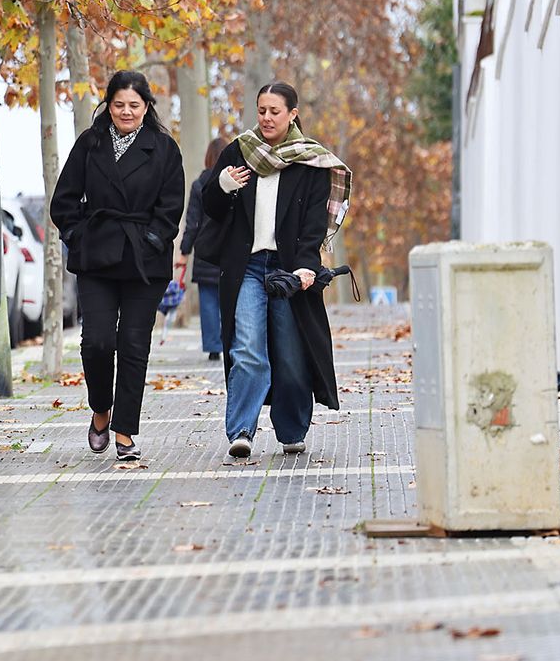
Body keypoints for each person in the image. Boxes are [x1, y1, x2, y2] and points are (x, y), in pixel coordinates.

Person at [201, 81, 352, 459]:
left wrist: (306, 266)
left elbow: (314, 223)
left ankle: (291, 430)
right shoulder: (239, 151)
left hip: (288, 270)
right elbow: (210, 207)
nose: (267, 118)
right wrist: (222, 185)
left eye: (275, 111)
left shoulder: (311, 160)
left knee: (290, 352)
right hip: (246, 267)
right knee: (248, 349)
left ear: (293, 114)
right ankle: (241, 431)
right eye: (262, 111)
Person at [50, 70, 185, 461]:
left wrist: (155, 239)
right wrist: (78, 235)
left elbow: (171, 205)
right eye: (119, 104)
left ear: (147, 107)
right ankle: (100, 409)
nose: (126, 111)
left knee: (132, 344)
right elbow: (64, 201)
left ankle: (125, 430)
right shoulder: (90, 144)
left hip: (144, 261)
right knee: (97, 341)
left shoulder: (163, 148)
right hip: (97, 257)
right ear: (108, 105)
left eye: (134, 105)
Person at [174, 137, 229, 361]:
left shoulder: (199, 184)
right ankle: (232, 342)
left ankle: (213, 347)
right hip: (230, 250)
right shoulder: (235, 181)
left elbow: (193, 223)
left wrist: (184, 253)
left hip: (206, 252)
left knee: (208, 301)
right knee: (230, 300)